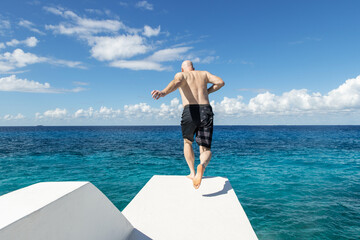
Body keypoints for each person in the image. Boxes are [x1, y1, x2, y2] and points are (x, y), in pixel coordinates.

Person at [151, 60, 225, 189]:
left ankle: (192, 172)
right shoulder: (204, 74)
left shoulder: (181, 75)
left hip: (189, 110)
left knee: (187, 142)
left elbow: (176, 83)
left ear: (182, 69)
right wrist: (207, 91)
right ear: (194, 68)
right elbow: (220, 82)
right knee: (205, 148)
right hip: (205, 109)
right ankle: (202, 165)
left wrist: (163, 92)